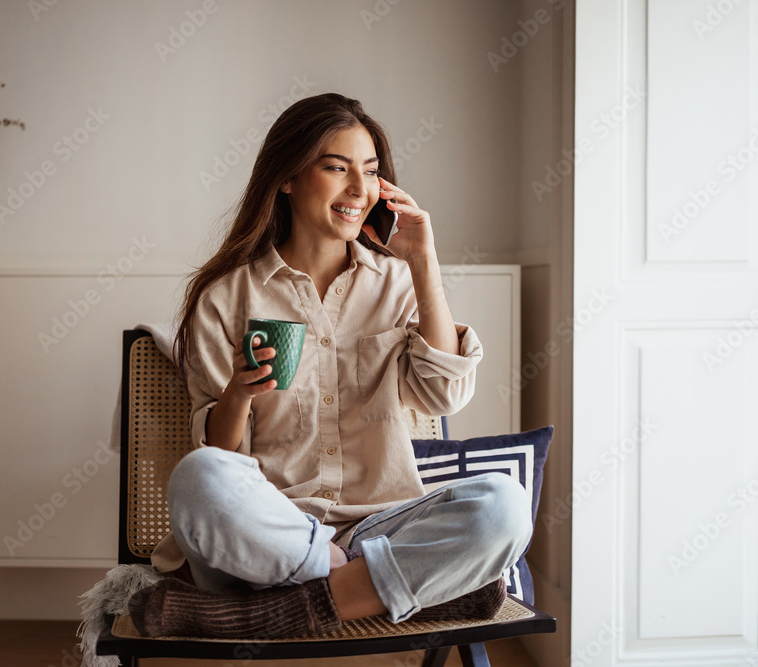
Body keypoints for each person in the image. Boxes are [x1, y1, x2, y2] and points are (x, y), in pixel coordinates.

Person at [128, 93, 533, 639]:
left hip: (379, 528)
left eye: (369, 172)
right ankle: (388, 590)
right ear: (288, 178)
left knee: (504, 505)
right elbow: (222, 459)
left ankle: (275, 613)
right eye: (337, 168)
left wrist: (422, 260)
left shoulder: (395, 284)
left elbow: (443, 397)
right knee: (197, 479)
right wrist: (239, 394)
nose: (358, 190)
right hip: (268, 533)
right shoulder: (226, 297)